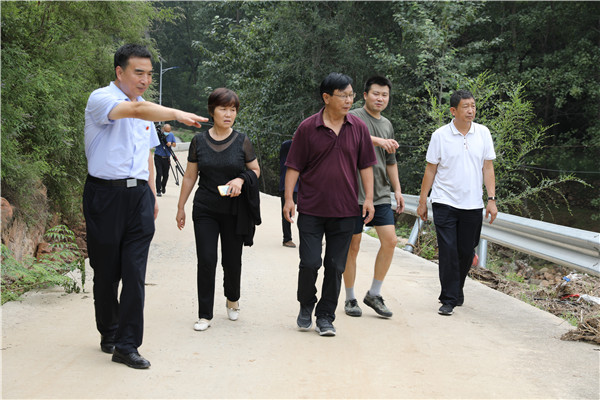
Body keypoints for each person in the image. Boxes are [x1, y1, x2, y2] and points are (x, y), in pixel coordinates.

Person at [83, 44, 208, 369]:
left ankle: (127, 345)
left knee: (135, 272)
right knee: (106, 273)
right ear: (119, 72)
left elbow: (148, 157)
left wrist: (151, 194)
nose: (145, 80)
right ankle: (109, 331)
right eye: (139, 72)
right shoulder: (101, 99)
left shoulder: (146, 112)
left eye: (149, 74)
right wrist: (176, 114)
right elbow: (136, 110)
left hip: (138, 196)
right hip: (104, 196)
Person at [283, 72, 377, 337]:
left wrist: (369, 199)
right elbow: (293, 166)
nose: (349, 100)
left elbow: (366, 166)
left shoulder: (358, 128)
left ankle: (325, 316)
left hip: (346, 210)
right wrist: (289, 199)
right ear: (326, 97)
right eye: (343, 95)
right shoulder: (307, 128)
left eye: (351, 95)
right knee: (310, 262)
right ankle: (306, 305)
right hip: (312, 209)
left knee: (335, 266)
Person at [176, 88, 261, 332]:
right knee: (206, 259)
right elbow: (190, 176)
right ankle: (204, 314)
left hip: (234, 210)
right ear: (212, 111)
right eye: (223, 109)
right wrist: (181, 206)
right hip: (205, 208)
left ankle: (232, 299)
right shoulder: (199, 141)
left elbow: (255, 170)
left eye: (233, 109)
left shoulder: (242, 140)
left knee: (232, 261)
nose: (228, 114)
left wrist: (241, 179)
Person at [416, 89, 497, 316]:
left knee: (465, 251)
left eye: (473, 106)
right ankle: (448, 299)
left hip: (473, 204)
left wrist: (491, 199)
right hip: (444, 201)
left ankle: (456, 288)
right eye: (465, 106)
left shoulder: (483, 133)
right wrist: (423, 201)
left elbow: (488, 167)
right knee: (448, 250)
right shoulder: (440, 135)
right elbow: (430, 169)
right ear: (453, 110)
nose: (471, 110)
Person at [342, 76, 405, 319]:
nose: (380, 98)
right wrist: (377, 140)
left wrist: (397, 190)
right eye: (376, 93)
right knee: (353, 246)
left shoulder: (387, 124)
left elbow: (391, 161)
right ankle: (350, 298)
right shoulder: (353, 117)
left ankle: (374, 293)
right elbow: (349, 138)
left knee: (390, 241)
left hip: (380, 194)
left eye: (384, 95)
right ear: (365, 95)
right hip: (354, 194)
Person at [279, 139, 298, 248]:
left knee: (308, 212)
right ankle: (287, 239)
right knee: (286, 213)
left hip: (300, 185)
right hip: (287, 186)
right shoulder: (287, 146)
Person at [154, 123, 176, 197]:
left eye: (168, 131)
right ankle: (158, 190)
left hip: (166, 158)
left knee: (166, 175)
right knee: (159, 173)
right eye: (166, 131)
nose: (167, 132)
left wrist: (171, 143)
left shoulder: (171, 135)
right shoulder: (158, 135)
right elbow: (154, 143)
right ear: (163, 129)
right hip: (158, 157)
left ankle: (163, 186)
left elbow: (174, 144)